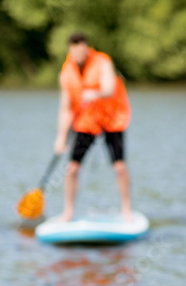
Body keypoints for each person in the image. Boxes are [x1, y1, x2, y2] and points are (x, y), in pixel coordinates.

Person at [54, 32, 132, 221]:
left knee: (119, 167)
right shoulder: (66, 72)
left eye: (82, 51)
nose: (79, 56)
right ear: (70, 51)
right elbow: (65, 108)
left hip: (112, 119)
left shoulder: (103, 62)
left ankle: (126, 209)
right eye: (75, 52)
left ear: (87, 49)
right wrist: (61, 137)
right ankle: (68, 212)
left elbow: (109, 88)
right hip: (86, 121)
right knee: (72, 168)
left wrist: (94, 94)